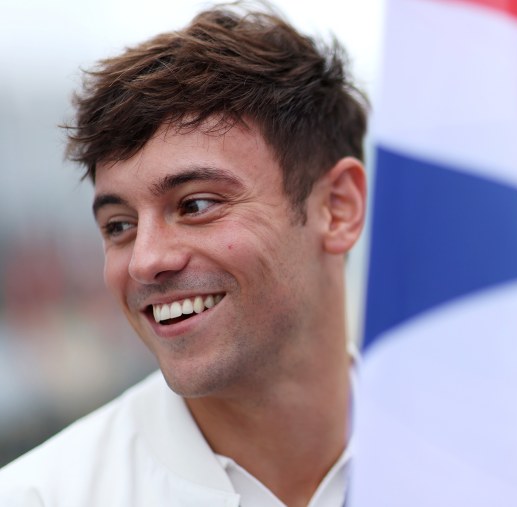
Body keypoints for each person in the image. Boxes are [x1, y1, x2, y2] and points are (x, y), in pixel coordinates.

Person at [0, 4, 368, 507]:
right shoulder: (38, 497)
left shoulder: (489, 459)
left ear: (338, 208)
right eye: (119, 226)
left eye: (195, 204)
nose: (145, 261)